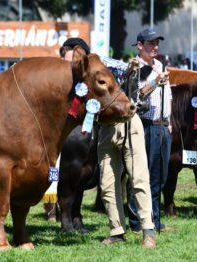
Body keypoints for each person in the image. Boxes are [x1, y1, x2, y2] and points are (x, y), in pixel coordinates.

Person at [60, 37, 156, 248]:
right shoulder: (73, 76)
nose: (64, 59)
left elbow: (124, 68)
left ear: (79, 53)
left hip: (127, 122)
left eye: (67, 54)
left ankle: (148, 230)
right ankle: (116, 231)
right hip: (104, 127)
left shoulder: (100, 63)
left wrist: (130, 66)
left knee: (138, 177)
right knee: (107, 184)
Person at [127, 28, 174, 232]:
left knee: (159, 176)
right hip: (144, 126)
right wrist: (156, 82)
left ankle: (154, 220)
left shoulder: (160, 65)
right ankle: (137, 223)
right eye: (150, 43)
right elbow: (136, 96)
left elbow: (169, 96)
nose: (155, 47)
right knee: (139, 175)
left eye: (157, 43)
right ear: (140, 46)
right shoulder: (134, 67)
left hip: (162, 126)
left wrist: (169, 122)